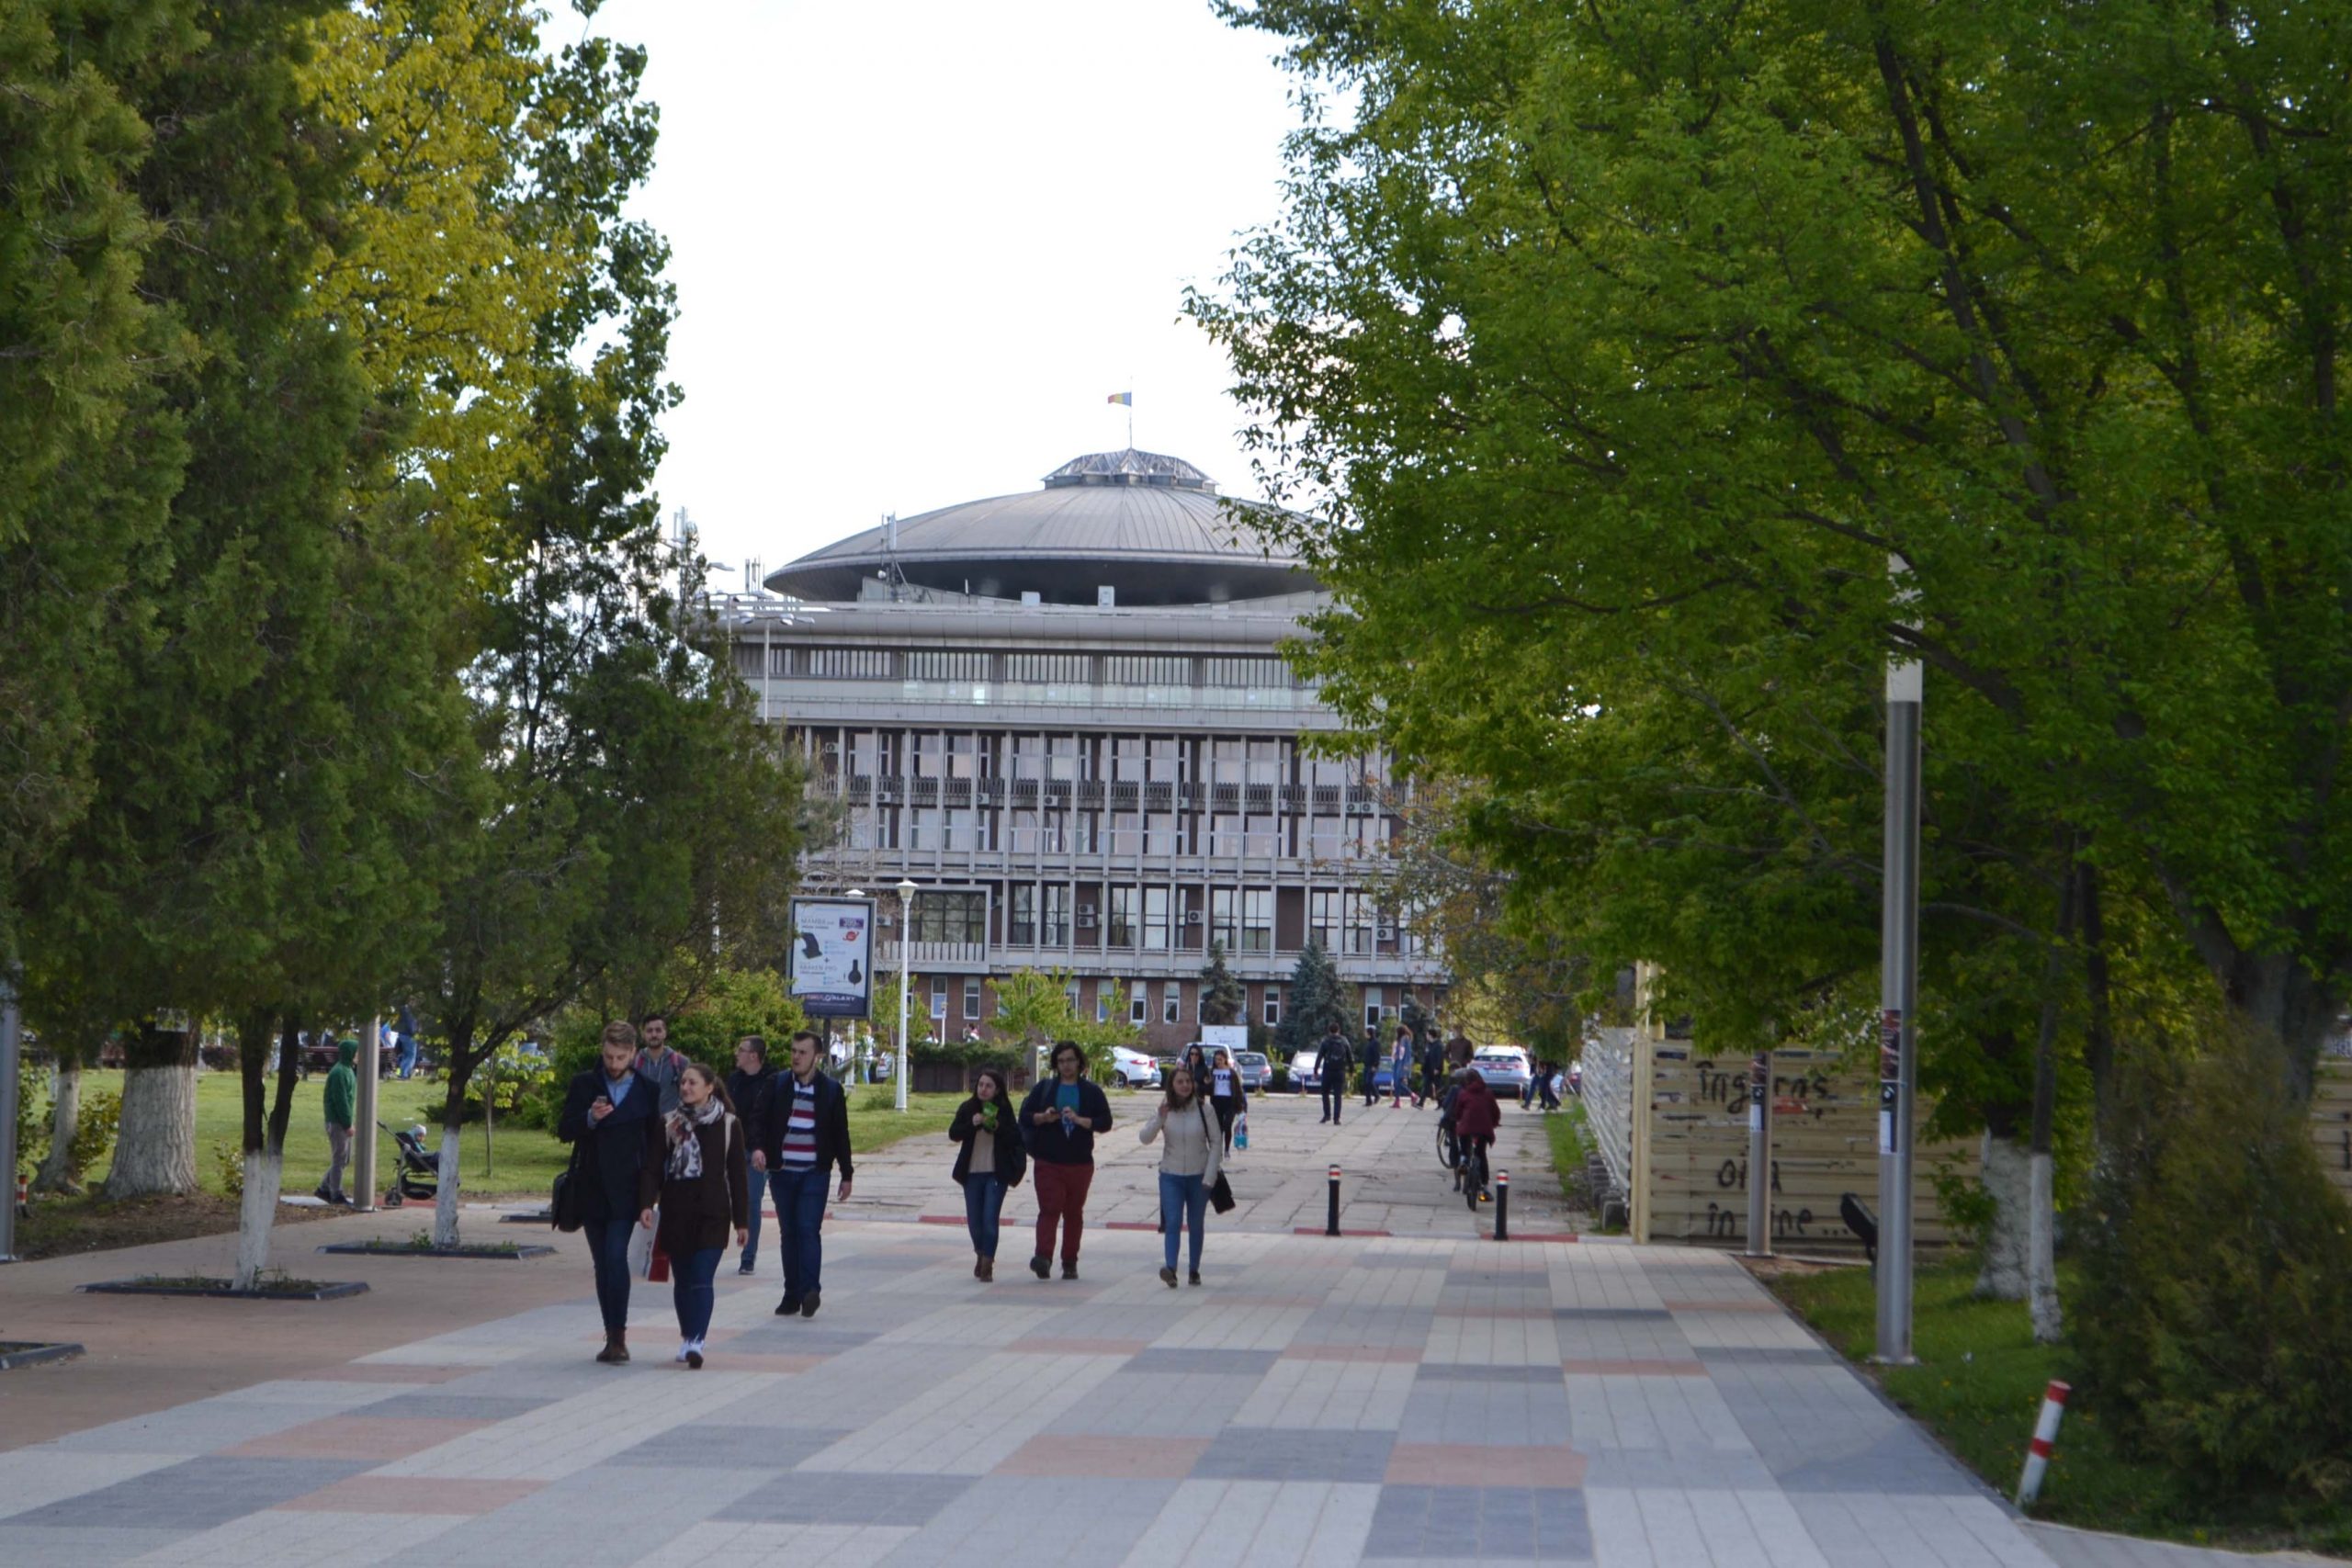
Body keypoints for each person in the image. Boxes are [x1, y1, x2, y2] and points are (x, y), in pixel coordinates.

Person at [558, 1021, 662, 1363]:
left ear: (634, 1053)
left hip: (627, 1190)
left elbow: (653, 1148)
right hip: (591, 1187)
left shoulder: (647, 1089)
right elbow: (565, 1128)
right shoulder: (585, 1083)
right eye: (608, 1056)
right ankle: (610, 1334)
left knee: (617, 1258)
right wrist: (589, 1118)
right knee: (603, 1263)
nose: (613, 1064)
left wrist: (649, 1196)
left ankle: (619, 1334)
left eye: (620, 1057)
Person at [639, 1062, 749, 1369]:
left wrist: (742, 1222)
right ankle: (687, 1335)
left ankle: (697, 1340)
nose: (685, 1088)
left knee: (702, 1278)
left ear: (709, 1087)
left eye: (692, 1083)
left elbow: (738, 1177)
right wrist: (647, 1204)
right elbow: (652, 1168)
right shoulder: (668, 1123)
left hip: (713, 1213)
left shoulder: (728, 1125)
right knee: (684, 1280)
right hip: (676, 1211)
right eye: (683, 1083)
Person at [752, 1029, 854, 1318]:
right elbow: (758, 1119)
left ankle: (811, 1291)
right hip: (783, 1172)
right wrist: (759, 1148)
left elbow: (840, 1135)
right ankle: (791, 1294)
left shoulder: (831, 1091)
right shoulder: (778, 1084)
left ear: (817, 1056)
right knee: (790, 1233)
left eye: (803, 1052)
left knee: (808, 1230)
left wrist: (847, 1174)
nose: (796, 1057)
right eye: (793, 1051)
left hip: (814, 1172)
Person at [1020, 1041, 1114, 1279]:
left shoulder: (1091, 1091)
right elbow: (1025, 1116)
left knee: (1073, 1212)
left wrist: (1083, 1121)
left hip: (1080, 1161)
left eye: (1070, 1060)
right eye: (1061, 1061)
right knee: (1049, 1208)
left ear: (1079, 1062)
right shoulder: (1045, 1088)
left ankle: (1069, 1260)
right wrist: (1043, 1117)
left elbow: (1106, 1121)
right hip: (1048, 1160)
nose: (1066, 1065)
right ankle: (1043, 1257)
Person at [1139, 1062, 1224, 1288]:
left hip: (1199, 1176)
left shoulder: (1205, 1110)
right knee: (1173, 1221)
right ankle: (1171, 1269)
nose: (1185, 1085)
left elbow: (1216, 1142)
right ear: (1172, 1086)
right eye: (1180, 1082)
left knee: (1195, 1224)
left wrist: (1210, 1175)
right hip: (1171, 1175)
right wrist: (1159, 1118)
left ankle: (1194, 1269)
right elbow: (1144, 1138)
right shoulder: (1165, 1109)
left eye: (1188, 1081)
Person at [949, 1066, 1024, 1280]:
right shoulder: (968, 1108)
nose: (983, 1089)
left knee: (990, 1219)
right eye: (980, 1085)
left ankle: (987, 1264)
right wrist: (971, 1125)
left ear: (997, 1090)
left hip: (995, 1174)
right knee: (975, 1221)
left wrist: (997, 1127)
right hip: (971, 1173)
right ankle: (980, 1253)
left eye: (988, 1086)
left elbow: (1015, 1139)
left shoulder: (1004, 1110)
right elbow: (953, 1133)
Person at [726, 1036, 778, 1276]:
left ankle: (748, 1256)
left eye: (741, 1050)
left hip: (757, 1151)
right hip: (730, 1150)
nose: (737, 1054)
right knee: (724, 1199)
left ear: (754, 1056)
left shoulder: (771, 1082)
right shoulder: (734, 1081)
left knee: (751, 1202)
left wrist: (763, 1148)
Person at [316, 1037, 357, 1206]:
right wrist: (347, 1123)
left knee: (344, 1158)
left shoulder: (347, 1070)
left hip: (340, 1120)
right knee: (339, 1158)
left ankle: (325, 1187)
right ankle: (335, 1193)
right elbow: (341, 1100)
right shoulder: (340, 1072)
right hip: (337, 1121)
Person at [1453, 1067, 1501, 1202]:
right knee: (1481, 1155)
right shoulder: (1488, 1093)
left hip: (1467, 1127)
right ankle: (1484, 1188)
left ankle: (1463, 1161)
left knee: (1464, 1147)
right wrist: (1495, 1123)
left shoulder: (1463, 1094)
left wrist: (1458, 1119)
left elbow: (1457, 1112)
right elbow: (1495, 1112)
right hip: (1484, 1129)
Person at [635, 1011, 690, 1114]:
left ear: (665, 1033)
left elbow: (689, 1095)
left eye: (658, 1030)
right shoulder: (634, 1063)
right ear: (643, 1034)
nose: (654, 1034)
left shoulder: (681, 1062)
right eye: (649, 1031)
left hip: (671, 1124)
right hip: (642, 1125)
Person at [1205, 1047, 1248, 1153]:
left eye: (1220, 1059)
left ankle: (1227, 1149)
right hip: (1216, 1101)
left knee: (1227, 1124)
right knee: (1219, 1127)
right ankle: (1218, 1149)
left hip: (1230, 1101)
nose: (1218, 1062)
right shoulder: (1213, 1072)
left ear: (1225, 1059)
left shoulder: (1231, 1073)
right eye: (1216, 1059)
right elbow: (1208, 1089)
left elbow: (1239, 1089)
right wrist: (1207, 1083)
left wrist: (1243, 1105)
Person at [1316, 1021, 1352, 1125]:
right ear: (1339, 1030)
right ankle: (1337, 1118)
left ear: (1329, 1031)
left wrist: (1315, 1070)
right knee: (1338, 1096)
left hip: (1328, 1071)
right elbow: (1350, 1057)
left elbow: (1319, 1056)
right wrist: (1351, 1070)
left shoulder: (1325, 1041)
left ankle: (1327, 1115)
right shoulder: (1344, 1041)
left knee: (1325, 1093)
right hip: (1340, 1071)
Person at [1390, 1024, 1417, 1109]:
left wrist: (1406, 1064)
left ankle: (1412, 1095)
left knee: (1398, 1082)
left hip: (1402, 1064)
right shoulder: (1400, 1040)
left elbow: (1406, 1053)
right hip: (1397, 1063)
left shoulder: (1405, 1039)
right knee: (1396, 1083)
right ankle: (1397, 1101)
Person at [393, 1003, 420, 1079]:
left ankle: (402, 1073)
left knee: (406, 1056)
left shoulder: (402, 1014)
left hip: (402, 1035)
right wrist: (415, 1033)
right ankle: (405, 1074)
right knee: (411, 1056)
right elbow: (411, 1026)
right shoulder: (410, 1013)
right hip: (409, 1036)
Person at [1420, 1032, 1447, 1106]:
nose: (1426, 1036)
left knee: (1438, 1087)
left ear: (1430, 1035)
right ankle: (1420, 1103)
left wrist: (1437, 1068)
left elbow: (1440, 1058)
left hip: (1435, 1070)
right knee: (1425, 1086)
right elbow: (1426, 1056)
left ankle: (1441, 1103)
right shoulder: (1429, 1044)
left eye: (1427, 1035)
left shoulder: (1438, 1045)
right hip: (1428, 1069)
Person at [1362, 1024, 1383, 1106]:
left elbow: (1377, 1055)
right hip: (1366, 1065)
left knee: (1369, 1081)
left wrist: (1375, 1065)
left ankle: (1377, 1095)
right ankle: (1368, 1101)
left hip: (1372, 1066)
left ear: (1369, 1033)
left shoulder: (1375, 1043)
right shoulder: (1369, 1042)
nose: (1365, 1034)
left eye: (1366, 1033)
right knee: (1366, 1083)